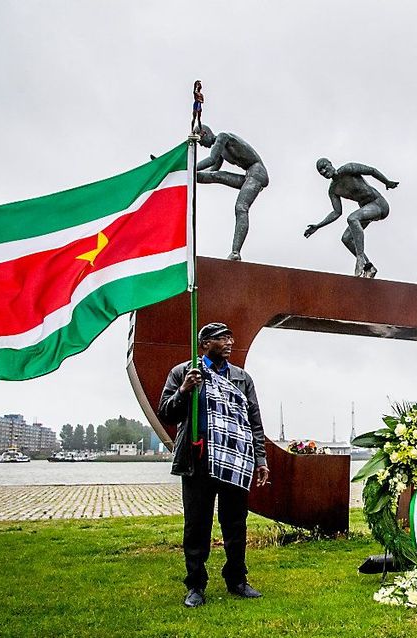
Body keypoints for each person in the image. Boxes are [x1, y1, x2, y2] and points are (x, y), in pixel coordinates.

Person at [158, 322, 270, 608]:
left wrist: (261, 459)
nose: (230, 342)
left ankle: (237, 580)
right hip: (198, 463)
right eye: (222, 338)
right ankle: (195, 585)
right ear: (205, 344)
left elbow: (254, 422)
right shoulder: (184, 373)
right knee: (197, 526)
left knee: (235, 524)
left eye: (231, 337)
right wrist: (184, 390)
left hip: (235, 460)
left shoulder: (242, 378)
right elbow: (166, 413)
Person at [304, 158, 398, 278]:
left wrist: (387, 182)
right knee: (346, 238)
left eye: (324, 167)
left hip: (378, 204)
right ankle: (369, 267)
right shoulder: (333, 190)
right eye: (321, 172)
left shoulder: (348, 169)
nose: (323, 171)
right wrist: (318, 226)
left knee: (352, 218)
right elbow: (336, 212)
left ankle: (360, 260)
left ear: (330, 164)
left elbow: (371, 171)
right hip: (366, 209)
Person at [196, 125, 269, 261]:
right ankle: (180, 172)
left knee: (241, 207)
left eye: (200, 142)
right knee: (217, 176)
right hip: (248, 175)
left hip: (257, 173)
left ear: (204, 133)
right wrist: (185, 172)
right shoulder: (219, 150)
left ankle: (235, 252)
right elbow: (212, 172)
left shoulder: (223, 137)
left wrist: (190, 168)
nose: (201, 145)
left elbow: (211, 160)